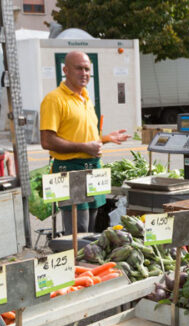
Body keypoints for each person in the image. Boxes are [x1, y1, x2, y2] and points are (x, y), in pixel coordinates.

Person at [40, 51, 128, 234]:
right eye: (78, 68)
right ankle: (75, 261)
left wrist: (105, 139)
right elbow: (47, 141)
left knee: (92, 225)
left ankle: (87, 263)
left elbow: (79, 134)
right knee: (78, 229)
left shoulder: (86, 97)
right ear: (65, 70)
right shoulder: (54, 99)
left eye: (87, 69)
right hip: (70, 170)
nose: (84, 73)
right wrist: (84, 147)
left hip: (93, 168)